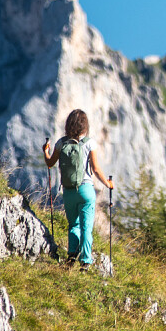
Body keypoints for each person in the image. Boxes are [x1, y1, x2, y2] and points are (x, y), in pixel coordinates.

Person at [42, 109, 114, 270]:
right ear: (84, 126)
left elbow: (49, 163)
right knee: (86, 227)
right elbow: (95, 169)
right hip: (86, 190)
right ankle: (86, 261)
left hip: (68, 191)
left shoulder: (61, 143)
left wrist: (45, 151)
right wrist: (108, 184)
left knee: (73, 225)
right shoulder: (90, 143)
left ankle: (72, 256)